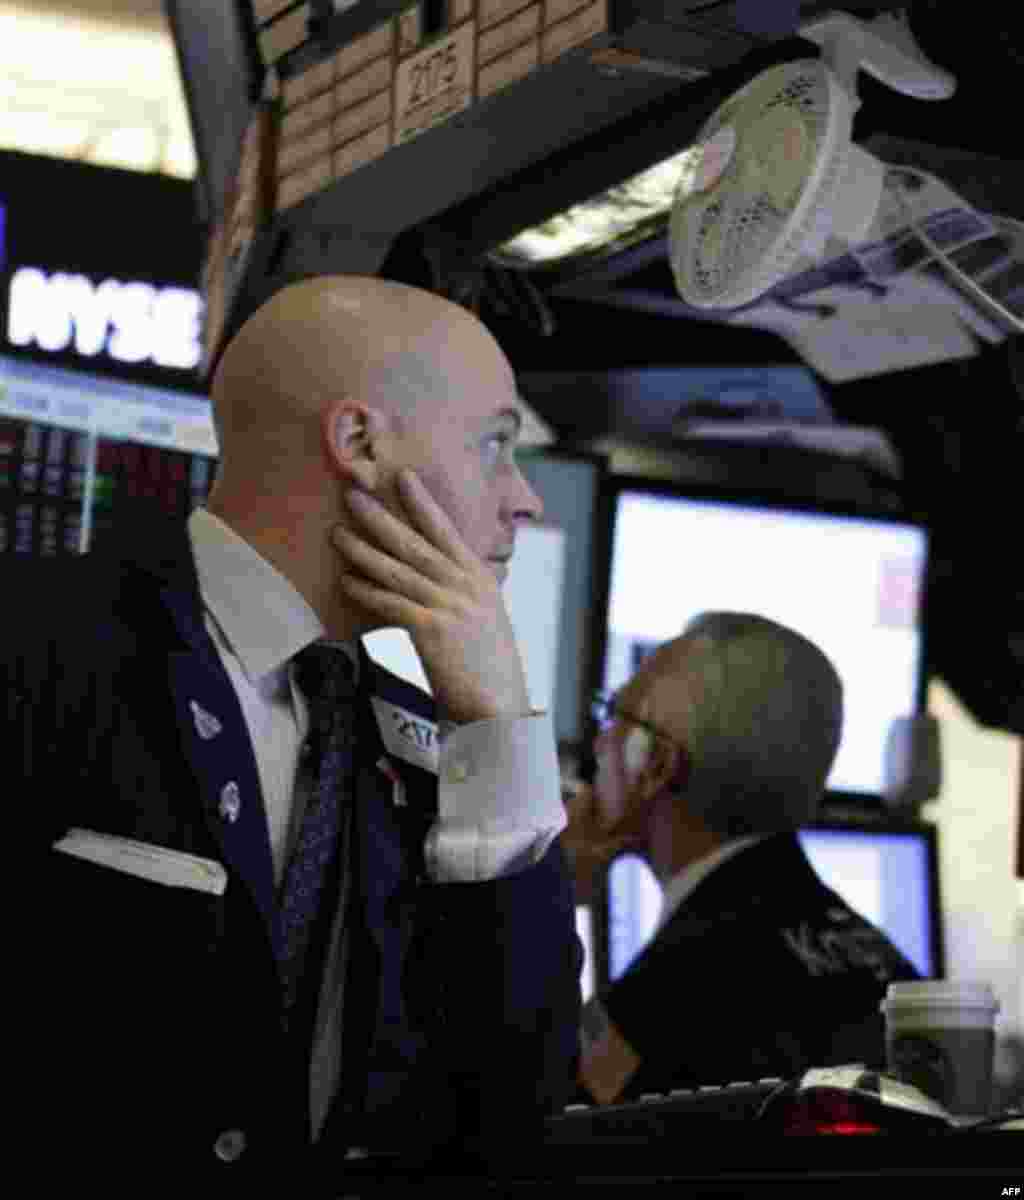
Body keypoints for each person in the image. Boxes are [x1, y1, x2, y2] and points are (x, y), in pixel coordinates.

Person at [25, 276, 581, 1186]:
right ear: (359, 442)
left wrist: (499, 727)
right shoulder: (44, 644)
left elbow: (518, 1101)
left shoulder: (427, 741)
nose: (524, 500)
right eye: (496, 446)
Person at [562, 612, 921, 1106]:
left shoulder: (666, 1002)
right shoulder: (889, 965)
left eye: (613, 716)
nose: (599, 743)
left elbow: (525, 1115)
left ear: (654, 765)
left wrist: (547, 900)